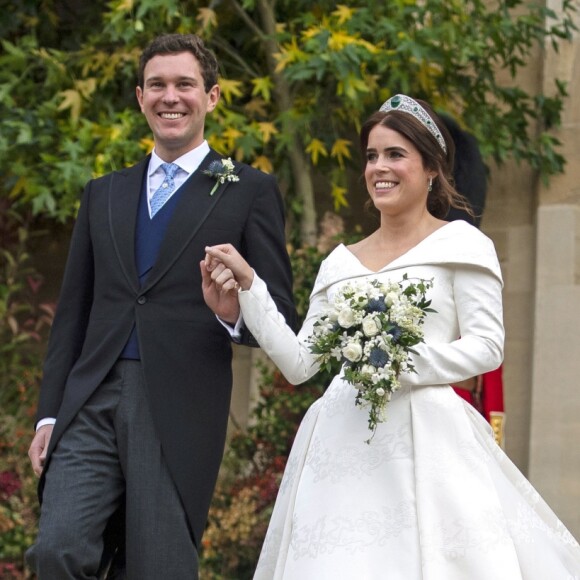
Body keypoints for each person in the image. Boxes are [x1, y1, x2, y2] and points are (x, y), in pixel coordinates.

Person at [202, 95, 580, 579]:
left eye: (395, 154)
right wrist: (250, 290)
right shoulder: (339, 263)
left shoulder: (462, 244)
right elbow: (300, 364)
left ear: (431, 169)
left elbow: (487, 347)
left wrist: (395, 361)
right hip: (340, 443)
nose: (379, 167)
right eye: (372, 156)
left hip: (429, 439)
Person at [25, 33, 296, 579]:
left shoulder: (248, 190)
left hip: (177, 404)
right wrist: (50, 411)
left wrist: (230, 311)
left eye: (184, 84)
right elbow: (73, 313)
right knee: (56, 549)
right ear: (139, 96)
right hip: (91, 399)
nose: (170, 97)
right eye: (157, 85)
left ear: (212, 97)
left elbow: (281, 319)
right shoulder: (104, 193)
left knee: (159, 568)